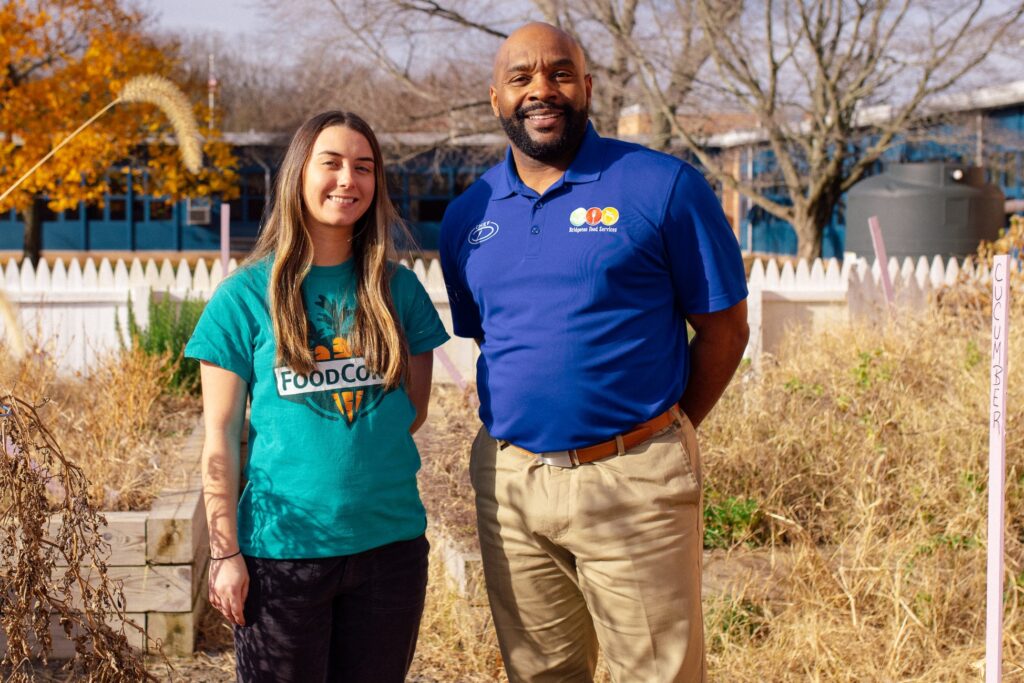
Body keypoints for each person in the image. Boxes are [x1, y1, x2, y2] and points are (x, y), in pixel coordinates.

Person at [439, 22, 750, 683]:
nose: (540, 90)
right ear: (495, 98)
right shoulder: (469, 214)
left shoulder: (661, 186)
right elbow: (492, 337)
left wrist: (666, 430)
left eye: (558, 73)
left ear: (587, 86)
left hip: (634, 475)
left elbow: (726, 330)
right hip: (512, 483)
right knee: (541, 674)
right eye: (520, 78)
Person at [185, 110, 449, 683]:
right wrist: (227, 554)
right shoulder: (244, 298)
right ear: (298, 175)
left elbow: (412, 412)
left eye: (364, 167)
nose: (347, 181)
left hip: (390, 549)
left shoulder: (399, 292)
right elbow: (221, 440)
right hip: (282, 556)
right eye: (331, 164)